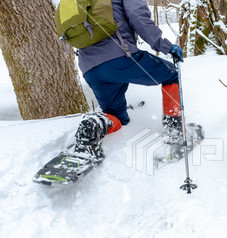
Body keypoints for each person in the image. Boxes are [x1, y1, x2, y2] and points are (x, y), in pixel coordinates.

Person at [74, 0, 197, 157]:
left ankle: (95, 124)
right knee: (171, 73)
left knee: (116, 117)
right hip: (120, 57)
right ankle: (175, 130)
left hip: (89, 68)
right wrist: (166, 46)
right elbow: (138, 17)